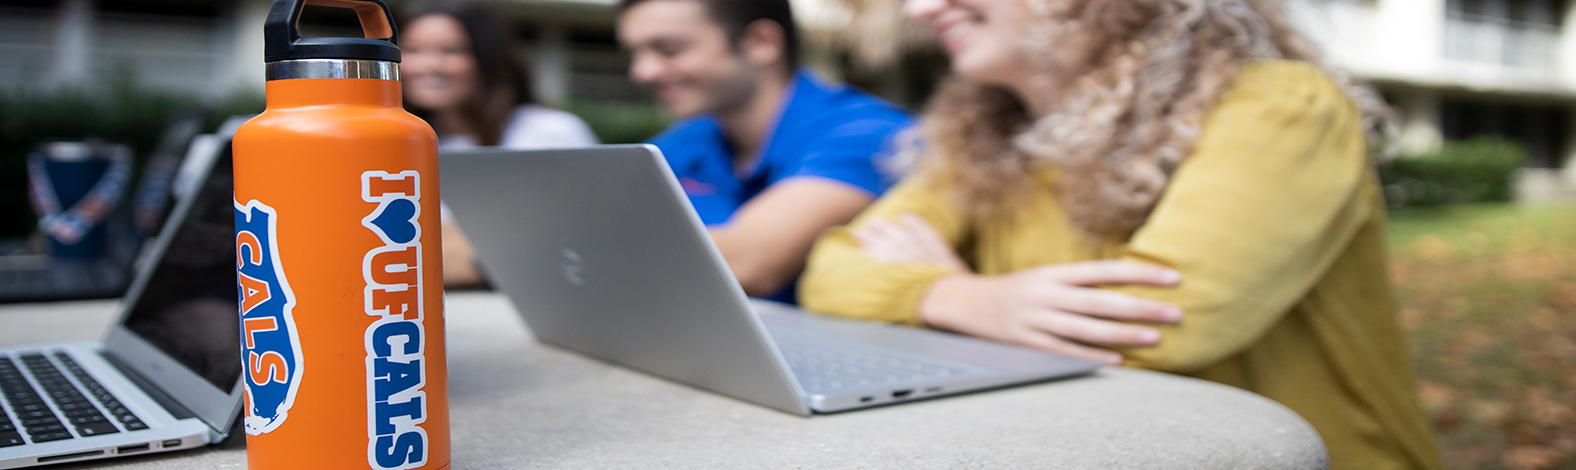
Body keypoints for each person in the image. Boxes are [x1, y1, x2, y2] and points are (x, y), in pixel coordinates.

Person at [798, 0, 1444, 468]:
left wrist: (938, 286)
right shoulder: (984, 143)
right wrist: (966, 300)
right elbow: (830, 270)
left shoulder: (1283, 104)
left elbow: (1160, 326)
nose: (921, 8)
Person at [616, 0, 915, 302]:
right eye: (634, 54)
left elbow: (749, 261)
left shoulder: (870, 133)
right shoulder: (687, 141)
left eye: (670, 49)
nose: (642, 72)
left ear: (761, 42)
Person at [399, 1, 600, 287]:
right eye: (412, 49)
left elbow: (565, 240)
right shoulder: (406, 142)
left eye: (452, 50)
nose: (428, 65)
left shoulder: (546, 132)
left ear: (488, 56)